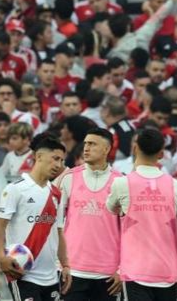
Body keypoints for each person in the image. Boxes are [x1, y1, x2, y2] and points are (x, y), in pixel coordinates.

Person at [107, 128, 177, 300]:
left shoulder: (121, 184)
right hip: (167, 273)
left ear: (135, 148)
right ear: (161, 154)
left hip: (135, 273)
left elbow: (111, 208)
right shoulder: (176, 186)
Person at [0, 135, 71, 301]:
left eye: (62, 161)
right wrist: (1, 257)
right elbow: (0, 226)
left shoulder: (56, 193)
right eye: (55, 158)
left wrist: (65, 265)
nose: (58, 165)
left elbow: (59, 231)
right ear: (39, 156)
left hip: (51, 276)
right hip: (23, 273)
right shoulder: (16, 189)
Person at [59, 128, 122, 300]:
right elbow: (56, 224)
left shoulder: (121, 182)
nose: (86, 148)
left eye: (92, 144)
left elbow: (128, 231)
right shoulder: (69, 178)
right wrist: (60, 264)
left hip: (108, 274)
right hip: (73, 270)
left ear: (106, 149)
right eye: (85, 143)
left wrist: (121, 269)